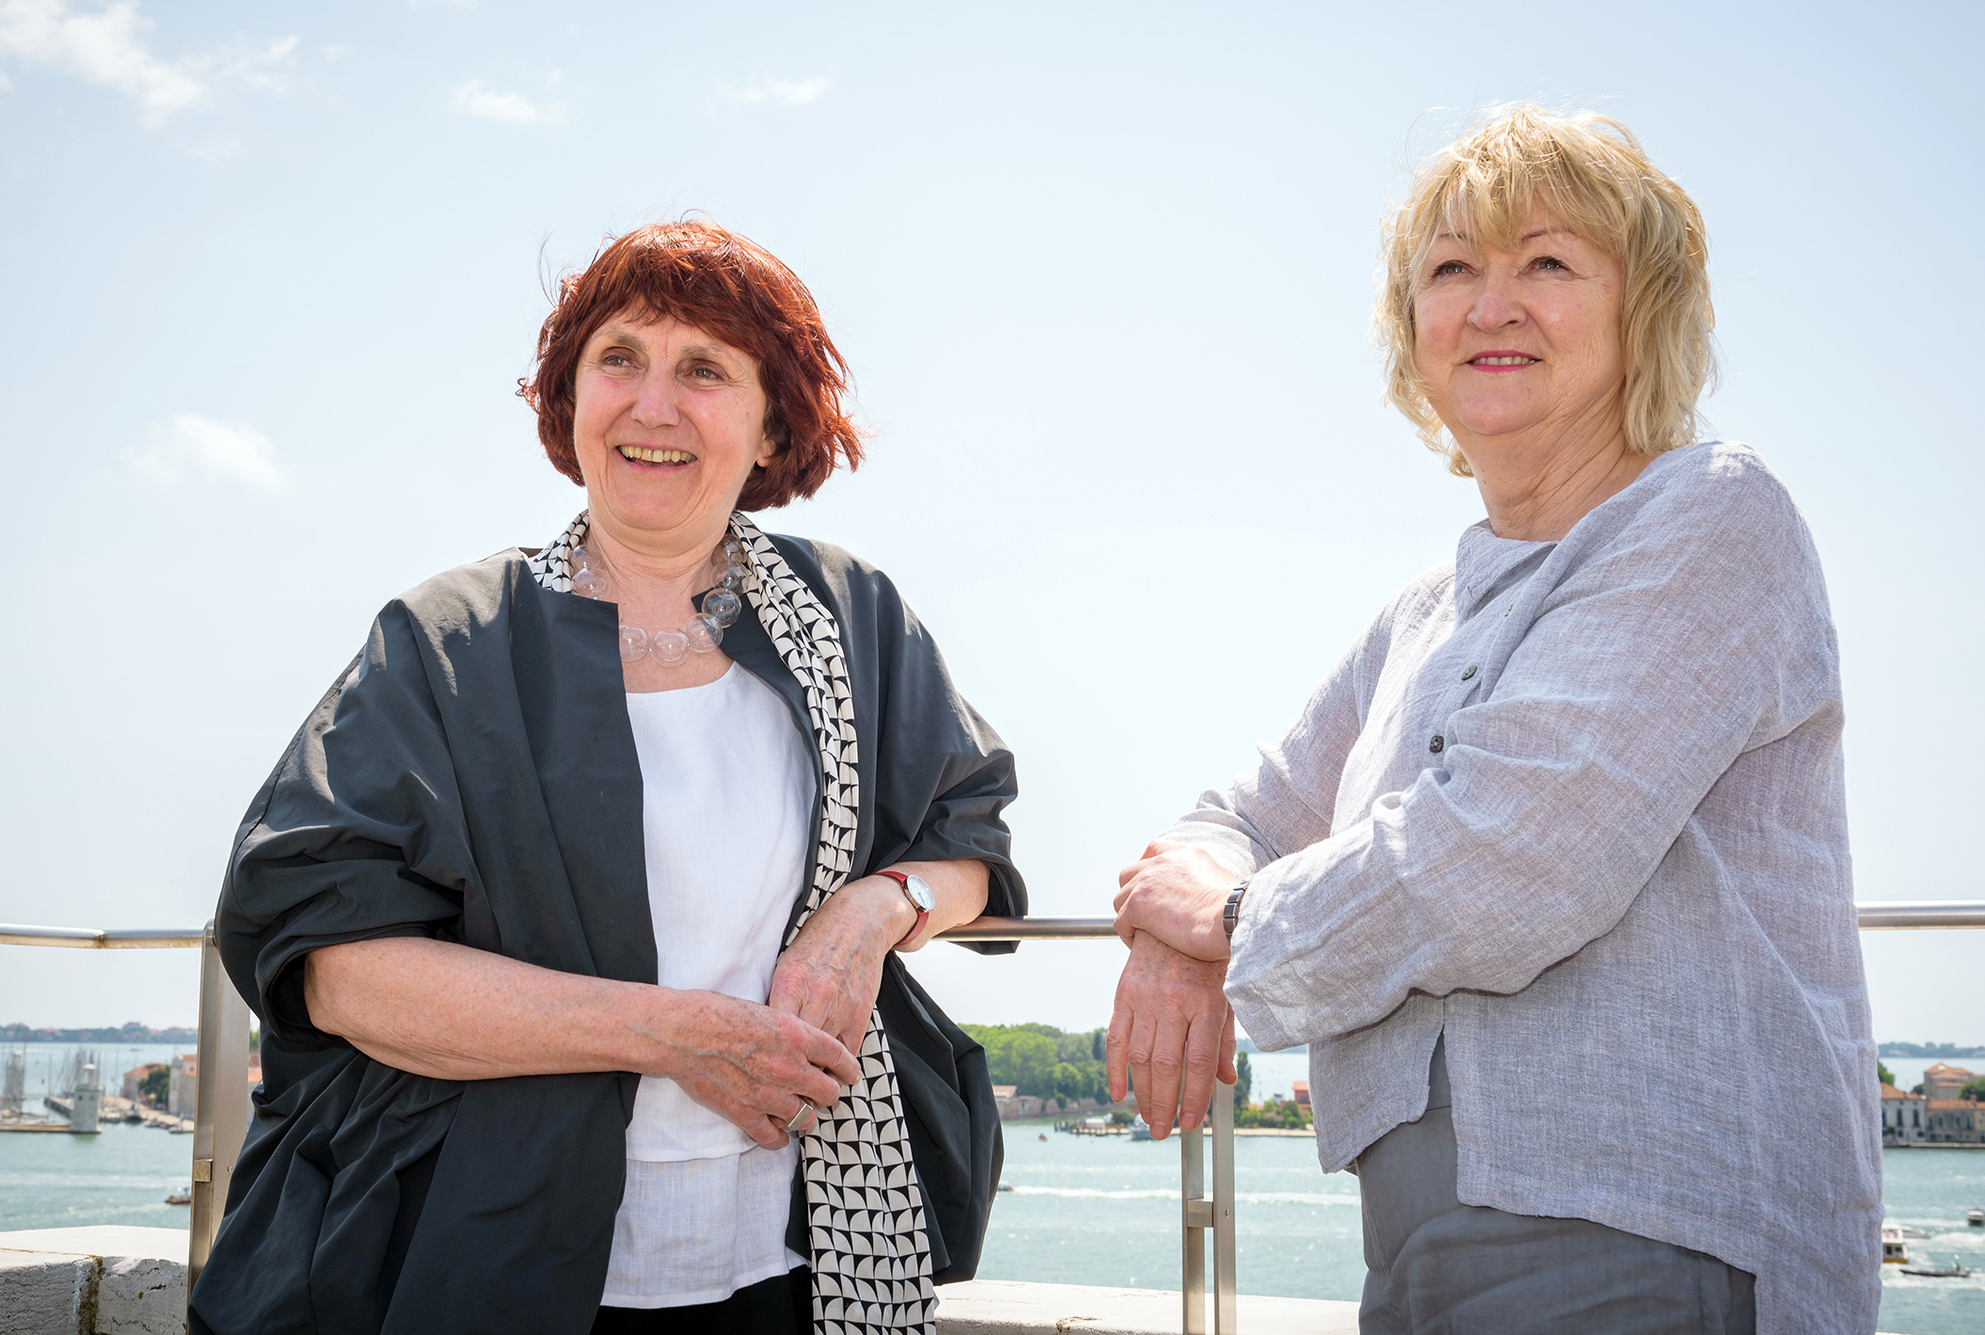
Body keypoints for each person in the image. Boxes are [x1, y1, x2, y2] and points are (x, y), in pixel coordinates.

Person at [1104, 106, 1877, 1334]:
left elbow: (1508, 863)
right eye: (1450, 270)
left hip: (1641, 1226)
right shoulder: (1424, 609)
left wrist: (1233, 923)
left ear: (1643, 318)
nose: (1490, 304)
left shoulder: (1708, 517)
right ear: (1411, 334)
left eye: (1548, 264)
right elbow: (1239, 816)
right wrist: (1174, 937)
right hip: (1414, 1240)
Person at [191, 220, 1026, 1335]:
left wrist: (875, 910)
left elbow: (968, 843)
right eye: (619, 359)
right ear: (567, 400)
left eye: (704, 370)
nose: (652, 405)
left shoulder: (849, 617)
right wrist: (666, 1032)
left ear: (772, 421)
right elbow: (334, 969)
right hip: (485, 1244)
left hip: (792, 1254)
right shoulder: (449, 642)